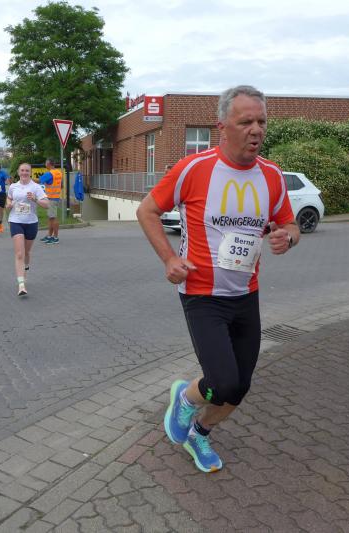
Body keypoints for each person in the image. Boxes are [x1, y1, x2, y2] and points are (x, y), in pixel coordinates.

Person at [136, 85, 300, 473]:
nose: (256, 130)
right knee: (222, 382)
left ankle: (200, 432)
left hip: (246, 294)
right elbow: (147, 211)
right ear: (222, 126)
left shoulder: (273, 176)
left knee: (239, 388)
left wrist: (288, 237)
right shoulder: (193, 169)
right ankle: (185, 398)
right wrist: (169, 258)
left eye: (261, 121)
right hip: (201, 294)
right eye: (246, 122)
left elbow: (289, 224)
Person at [6, 162, 50, 296]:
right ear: (18, 172)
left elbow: (47, 204)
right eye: (22, 170)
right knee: (19, 253)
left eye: (27, 171)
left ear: (30, 172)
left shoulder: (36, 187)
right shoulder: (13, 186)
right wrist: (9, 205)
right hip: (15, 221)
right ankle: (21, 285)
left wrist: (35, 199)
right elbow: (8, 199)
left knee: (27, 252)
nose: (24, 173)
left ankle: (25, 268)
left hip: (31, 222)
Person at [39, 158, 63, 244]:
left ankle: (55, 238)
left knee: (53, 218)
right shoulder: (59, 173)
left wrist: (27, 179)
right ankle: (49, 236)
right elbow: (61, 185)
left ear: (49, 164)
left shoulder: (49, 173)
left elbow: (39, 180)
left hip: (51, 198)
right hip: (55, 197)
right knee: (51, 218)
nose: (45, 164)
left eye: (46, 163)